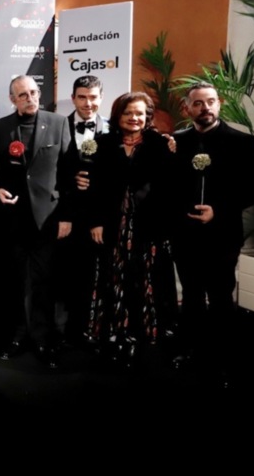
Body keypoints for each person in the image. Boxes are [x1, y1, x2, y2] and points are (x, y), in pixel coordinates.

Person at [170, 82, 254, 386]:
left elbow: (252, 187)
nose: (204, 108)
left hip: (223, 234)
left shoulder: (243, 142)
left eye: (210, 102)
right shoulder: (177, 142)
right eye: (198, 103)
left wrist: (217, 209)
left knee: (221, 297)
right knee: (191, 296)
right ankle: (190, 350)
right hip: (185, 235)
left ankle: (223, 358)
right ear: (187, 108)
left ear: (218, 104)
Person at [83, 91, 176, 366]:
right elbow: (95, 188)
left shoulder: (160, 145)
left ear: (147, 116)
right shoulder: (103, 143)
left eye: (139, 113)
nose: (134, 118)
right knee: (112, 279)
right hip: (111, 226)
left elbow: (168, 189)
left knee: (143, 279)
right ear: (118, 116)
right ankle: (112, 334)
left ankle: (143, 335)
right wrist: (95, 221)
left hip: (148, 227)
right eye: (128, 113)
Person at [0, 75, 72, 367]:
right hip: (11, 220)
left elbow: (68, 173)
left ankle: (43, 340)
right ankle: (17, 336)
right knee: (14, 283)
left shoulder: (59, 123)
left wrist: (66, 217)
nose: (30, 98)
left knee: (44, 283)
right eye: (23, 95)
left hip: (46, 219)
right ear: (13, 99)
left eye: (34, 92)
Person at [55, 75, 107, 344]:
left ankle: (91, 329)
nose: (88, 103)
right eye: (83, 97)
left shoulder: (112, 130)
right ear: (73, 98)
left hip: (98, 219)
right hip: (64, 217)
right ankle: (64, 333)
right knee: (64, 276)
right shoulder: (57, 126)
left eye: (93, 97)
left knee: (93, 276)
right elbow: (50, 173)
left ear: (101, 98)